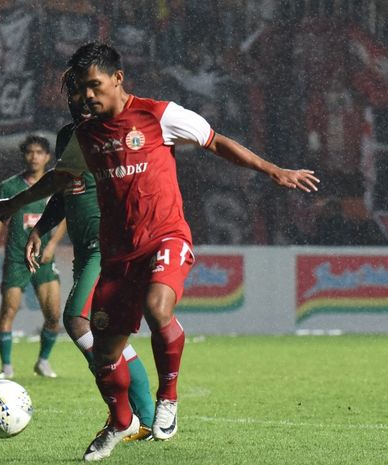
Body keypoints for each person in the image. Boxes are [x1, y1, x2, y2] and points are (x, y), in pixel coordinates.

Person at [59, 42, 319, 461]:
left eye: (95, 86)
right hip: (118, 255)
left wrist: (274, 171)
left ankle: (168, 398)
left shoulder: (160, 114)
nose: (88, 96)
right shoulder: (85, 136)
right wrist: (15, 206)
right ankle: (120, 420)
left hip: (166, 237)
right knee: (105, 353)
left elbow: (215, 141)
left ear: (118, 79)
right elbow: (62, 177)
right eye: (83, 88)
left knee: (158, 306)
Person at [0, 70, 156, 441]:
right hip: (85, 249)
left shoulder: (111, 134)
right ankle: (145, 416)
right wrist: (39, 228)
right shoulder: (69, 136)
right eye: (74, 96)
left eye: (87, 92)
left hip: (108, 246)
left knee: (75, 320)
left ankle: (127, 412)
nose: (81, 101)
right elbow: (64, 192)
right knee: (106, 334)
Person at [0, 135, 65, 379]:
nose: (34, 157)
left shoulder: (56, 183)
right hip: (17, 259)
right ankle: (6, 367)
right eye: (29, 152)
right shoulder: (10, 187)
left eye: (39, 152)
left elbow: (64, 217)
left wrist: (52, 246)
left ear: (48, 157)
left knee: (54, 316)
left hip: (45, 260)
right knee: (8, 312)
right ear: (24, 156)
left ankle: (43, 361)